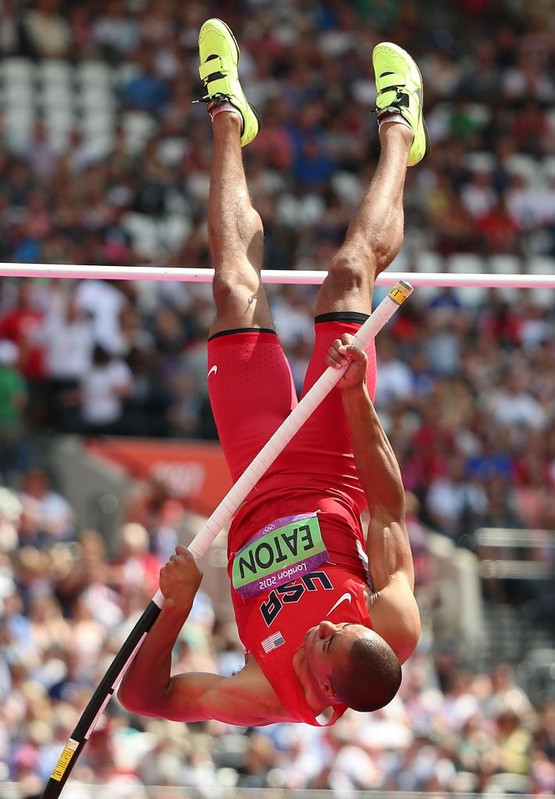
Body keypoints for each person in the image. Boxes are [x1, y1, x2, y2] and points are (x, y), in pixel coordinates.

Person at [119, 17, 427, 727]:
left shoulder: (267, 694)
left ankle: (226, 115)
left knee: (233, 290)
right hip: (332, 462)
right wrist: (355, 394)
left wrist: (176, 606)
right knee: (348, 274)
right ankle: (400, 126)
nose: (330, 622)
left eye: (327, 638)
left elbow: (145, 698)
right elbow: (387, 508)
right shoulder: (392, 623)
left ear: (325, 683)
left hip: (253, 477)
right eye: (342, 625)